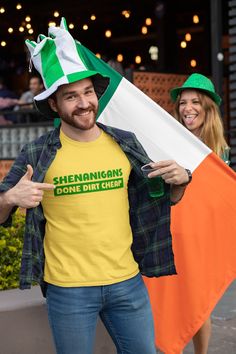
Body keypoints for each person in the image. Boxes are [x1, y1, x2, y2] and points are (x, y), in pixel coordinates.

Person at [0, 20, 191, 354]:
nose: (84, 102)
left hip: (127, 283)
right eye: (71, 97)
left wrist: (180, 182)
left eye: (88, 92)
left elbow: (158, 199)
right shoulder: (36, 152)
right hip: (68, 290)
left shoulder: (124, 142)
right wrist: (10, 198)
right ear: (54, 106)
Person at [170, 73, 229, 354]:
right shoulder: (168, 139)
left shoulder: (221, 153)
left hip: (203, 236)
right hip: (171, 231)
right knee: (173, 300)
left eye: (195, 102)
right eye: (183, 102)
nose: (188, 108)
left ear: (208, 108)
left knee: (198, 301)